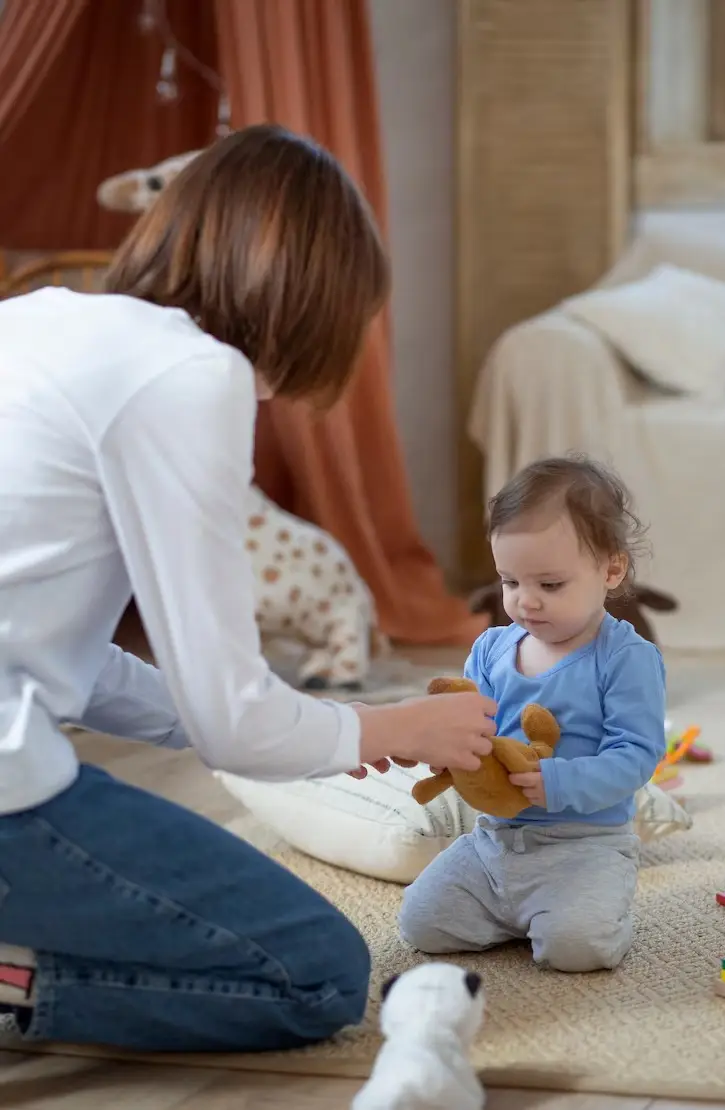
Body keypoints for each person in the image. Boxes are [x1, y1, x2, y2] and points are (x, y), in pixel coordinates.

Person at [0, 124, 498, 1053]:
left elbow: (68, 659)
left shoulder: (41, 321)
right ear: (310, 297)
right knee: (316, 971)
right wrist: (394, 730)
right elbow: (233, 723)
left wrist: (311, 715)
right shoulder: (192, 372)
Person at [399, 455, 666, 973]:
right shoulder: (491, 648)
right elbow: (468, 726)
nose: (525, 602)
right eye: (510, 581)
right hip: (494, 842)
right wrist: (448, 752)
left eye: (549, 584)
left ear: (611, 569)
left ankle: (584, 915)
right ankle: (519, 914)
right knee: (421, 923)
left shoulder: (625, 657)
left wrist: (558, 780)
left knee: (576, 948)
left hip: (584, 847)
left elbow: (636, 755)